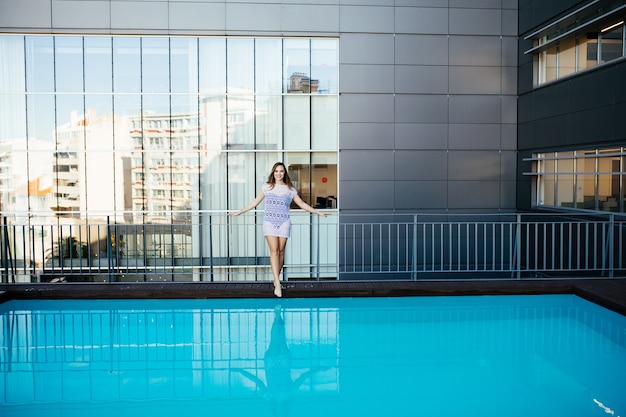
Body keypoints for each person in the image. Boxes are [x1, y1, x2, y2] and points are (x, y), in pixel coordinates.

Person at [229, 162, 328, 297]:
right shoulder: (267, 187)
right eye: (276, 171)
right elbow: (254, 202)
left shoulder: (290, 189)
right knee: (274, 251)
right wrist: (239, 212)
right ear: (273, 173)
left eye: (281, 171)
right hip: (269, 222)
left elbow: (302, 204)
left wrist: (318, 213)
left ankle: (276, 279)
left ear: (284, 173)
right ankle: (277, 282)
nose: (279, 173)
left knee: (281, 252)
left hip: (284, 222)